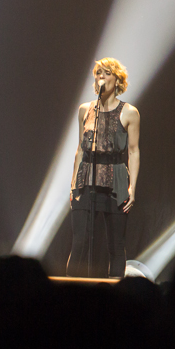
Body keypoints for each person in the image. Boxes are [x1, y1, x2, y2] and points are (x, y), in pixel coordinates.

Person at [67, 57, 140, 278]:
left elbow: (134, 151)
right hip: (86, 179)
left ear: (117, 80)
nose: (101, 77)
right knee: (79, 243)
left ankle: (115, 301)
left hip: (116, 179)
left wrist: (132, 189)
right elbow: (80, 149)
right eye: (99, 72)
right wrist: (73, 185)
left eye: (107, 73)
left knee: (116, 245)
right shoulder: (85, 110)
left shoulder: (129, 112)